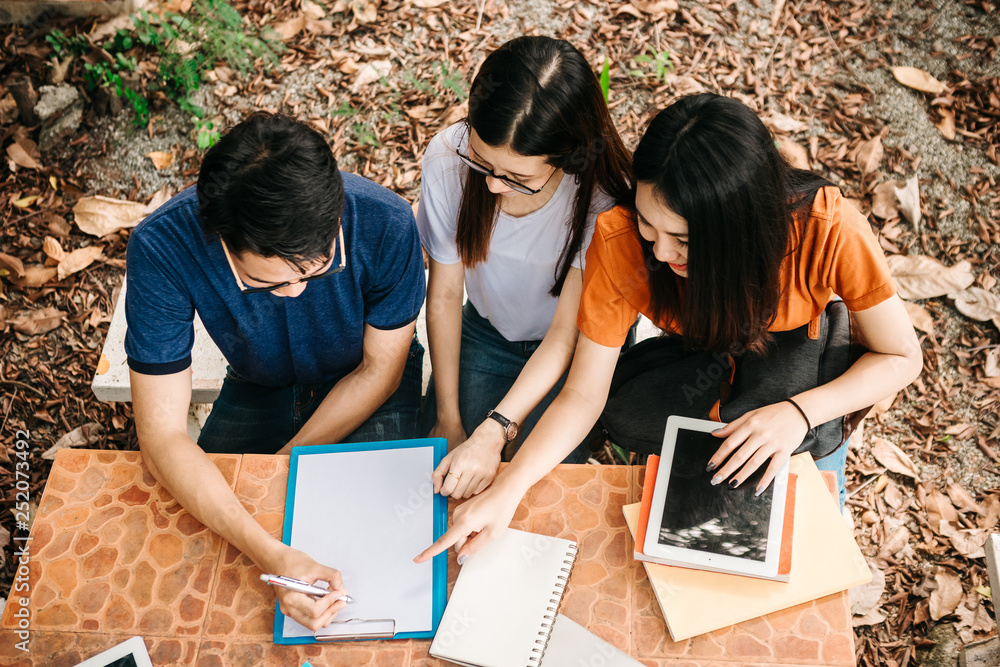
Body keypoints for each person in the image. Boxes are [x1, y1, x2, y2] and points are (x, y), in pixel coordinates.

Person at [416, 93, 922, 564]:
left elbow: (901, 357)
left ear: (740, 228)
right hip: (702, 354)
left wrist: (797, 414)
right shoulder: (619, 242)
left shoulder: (826, 228)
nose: (658, 253)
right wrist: (509, 489)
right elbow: (583, 394)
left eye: (683, 239)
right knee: (662, 463)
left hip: (797, 360)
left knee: (806, 534)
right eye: (647, 224)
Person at [125, 112, 425, 631]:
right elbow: (162, 437)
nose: (295, 293)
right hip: (257, 384)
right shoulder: (162, 248)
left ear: (336, 216)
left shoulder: (386, 222)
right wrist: (274, 554)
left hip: (368, 383)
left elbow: (382, 369)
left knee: (381, 560)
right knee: (195, 570)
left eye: (316, 269)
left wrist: (285, 462)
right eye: (267, 283)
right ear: (221, 237)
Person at [417, 35, 631, 499]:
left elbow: (564, 335)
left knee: (533, 489)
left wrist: (494, 429)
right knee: (447, 474)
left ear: (569, 158)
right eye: (483, 163)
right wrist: (448, 417)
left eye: (518, 178)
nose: (493, 186)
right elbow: (447, 293)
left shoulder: (600, 199)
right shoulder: (446, 160)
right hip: (487, 332)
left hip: (571, 347)